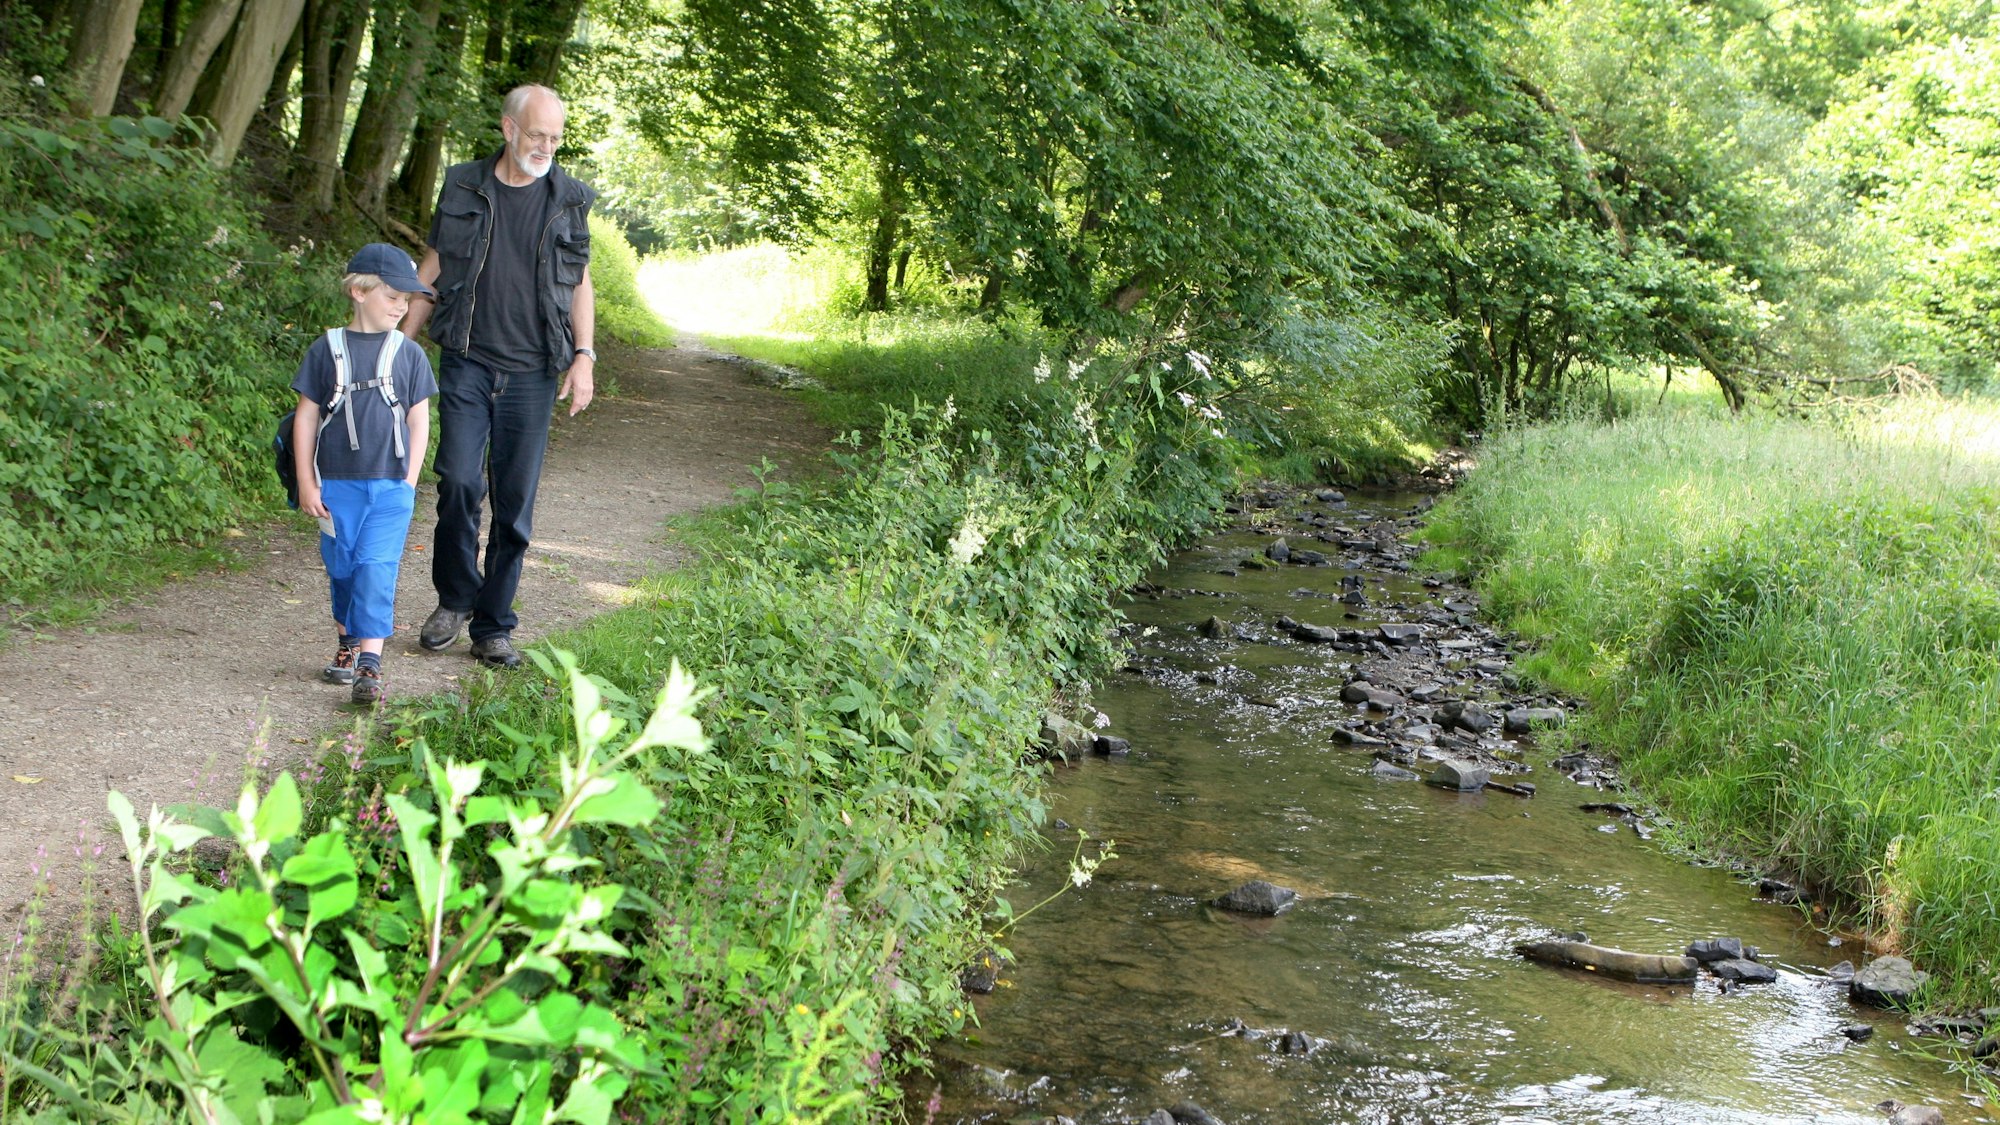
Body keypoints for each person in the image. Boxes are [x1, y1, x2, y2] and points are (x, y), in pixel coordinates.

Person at [400, 83, 597, 669]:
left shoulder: (570, 199)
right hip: (467, 358)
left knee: (514, 506)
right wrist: (395, 347)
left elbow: (580, 282)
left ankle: (493, 625)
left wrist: (584, 356)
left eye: (556, 137)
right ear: (509, 129)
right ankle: (455, 599)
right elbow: (433, 267)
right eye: (538, 134)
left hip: (534, 370)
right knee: (459, 481)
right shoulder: (463, 185)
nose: (547, 146)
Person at [292, 244, 439, 705]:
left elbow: (420, 420)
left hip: (391, 484)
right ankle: (347, 645)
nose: (401, 306)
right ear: (358, 291)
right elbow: (306, 418)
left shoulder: (408, 354)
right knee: (343, 568)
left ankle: (370, 664)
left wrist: (411, 480)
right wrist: (305, 480)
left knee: (377, 568)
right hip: (335, 484)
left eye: (407, 299)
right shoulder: (326, 350)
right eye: (392, 296)